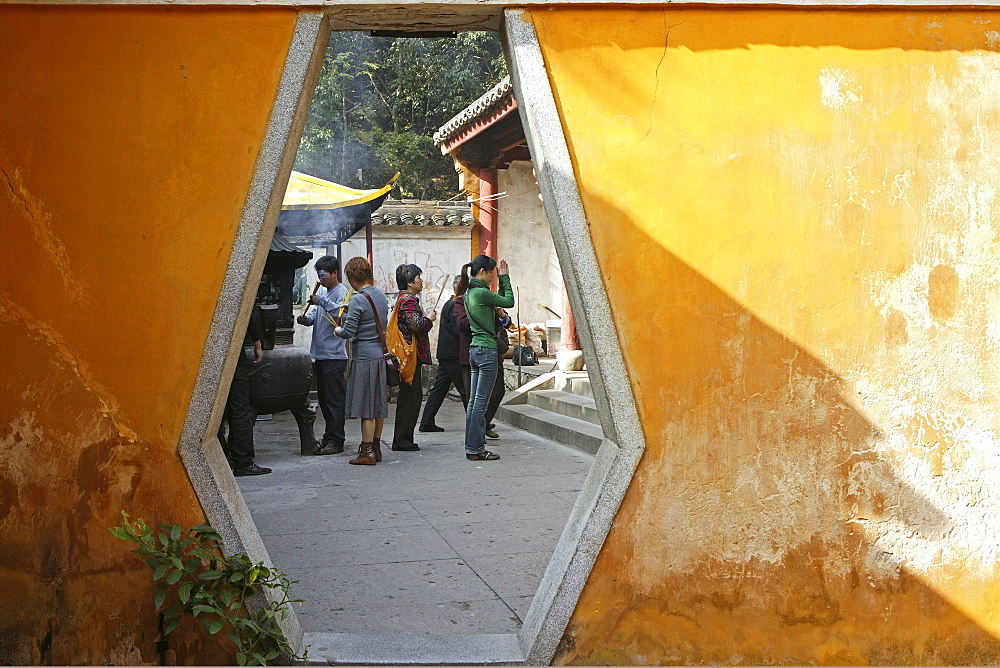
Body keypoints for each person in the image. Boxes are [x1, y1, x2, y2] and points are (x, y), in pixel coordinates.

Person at [334, 257, 389, 466]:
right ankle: (376, 447)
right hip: (380, 355)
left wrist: (338, 329)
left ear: (352, 277)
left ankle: (366, 453)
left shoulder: (358, 299)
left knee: (367, 407)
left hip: (364, 357)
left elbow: (348, 331)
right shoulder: (380, 295)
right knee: (378, 405)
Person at [459, 255, 514, 461]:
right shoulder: (481, 293)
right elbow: (509, 301)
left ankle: (472, 446)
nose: (493, 276)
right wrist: (506, 278)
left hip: (474, 350)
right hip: (487, 352)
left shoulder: (470, 292)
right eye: (492, 272)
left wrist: (499, 284)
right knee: (480, 404)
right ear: (482, 272)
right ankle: (476, 449)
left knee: (474, 403)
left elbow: (499, 303)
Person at [296, 255, 349, 455]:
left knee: (334, 401)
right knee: (325, 401)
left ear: (335, 273)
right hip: (321, 354)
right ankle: (329, 437)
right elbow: (317, 316)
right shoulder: (324, 293)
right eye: (319, 275)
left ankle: (337, 440)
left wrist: (322, 301)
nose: (321, 279)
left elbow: (341, 314)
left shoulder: (341, 293)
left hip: (334, 356)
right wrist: (306, 319)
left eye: (324, 275)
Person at [218, 304, 271, 476]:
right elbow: (250, 316)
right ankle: (242, 460)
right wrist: (258, 344)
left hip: (209, 352)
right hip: (234, 353)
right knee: (240, 408)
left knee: (217, 410)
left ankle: (221, 455)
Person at [391, 263, 436, 451]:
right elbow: (416, 324)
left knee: (411, 397)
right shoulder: (409, 300)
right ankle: (402, 440)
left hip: (408, 354)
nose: (422, 281)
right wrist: (429, 319)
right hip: (410, 355)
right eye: (419, 278)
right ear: (410, 282)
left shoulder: (404, 298)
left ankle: (404, 439)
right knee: (410, 398)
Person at [455, 288, 507, 440]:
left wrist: (501, 315)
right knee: (476, 400)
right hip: (474, 353)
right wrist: (480, 312)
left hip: (493, 352)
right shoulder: (461, 301)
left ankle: (481, 427)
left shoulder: (489, 299)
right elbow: (462, 325)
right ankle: (475, 439)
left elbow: (506, 321)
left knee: (497, 391)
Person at [419, 274, 467, 432]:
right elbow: (457, 330)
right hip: (453, 354)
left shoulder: (450, 304)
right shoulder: (455, 305)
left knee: (439, 389)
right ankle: (479, 424)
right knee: (466, 389)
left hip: (446, 353)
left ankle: (426, 421)